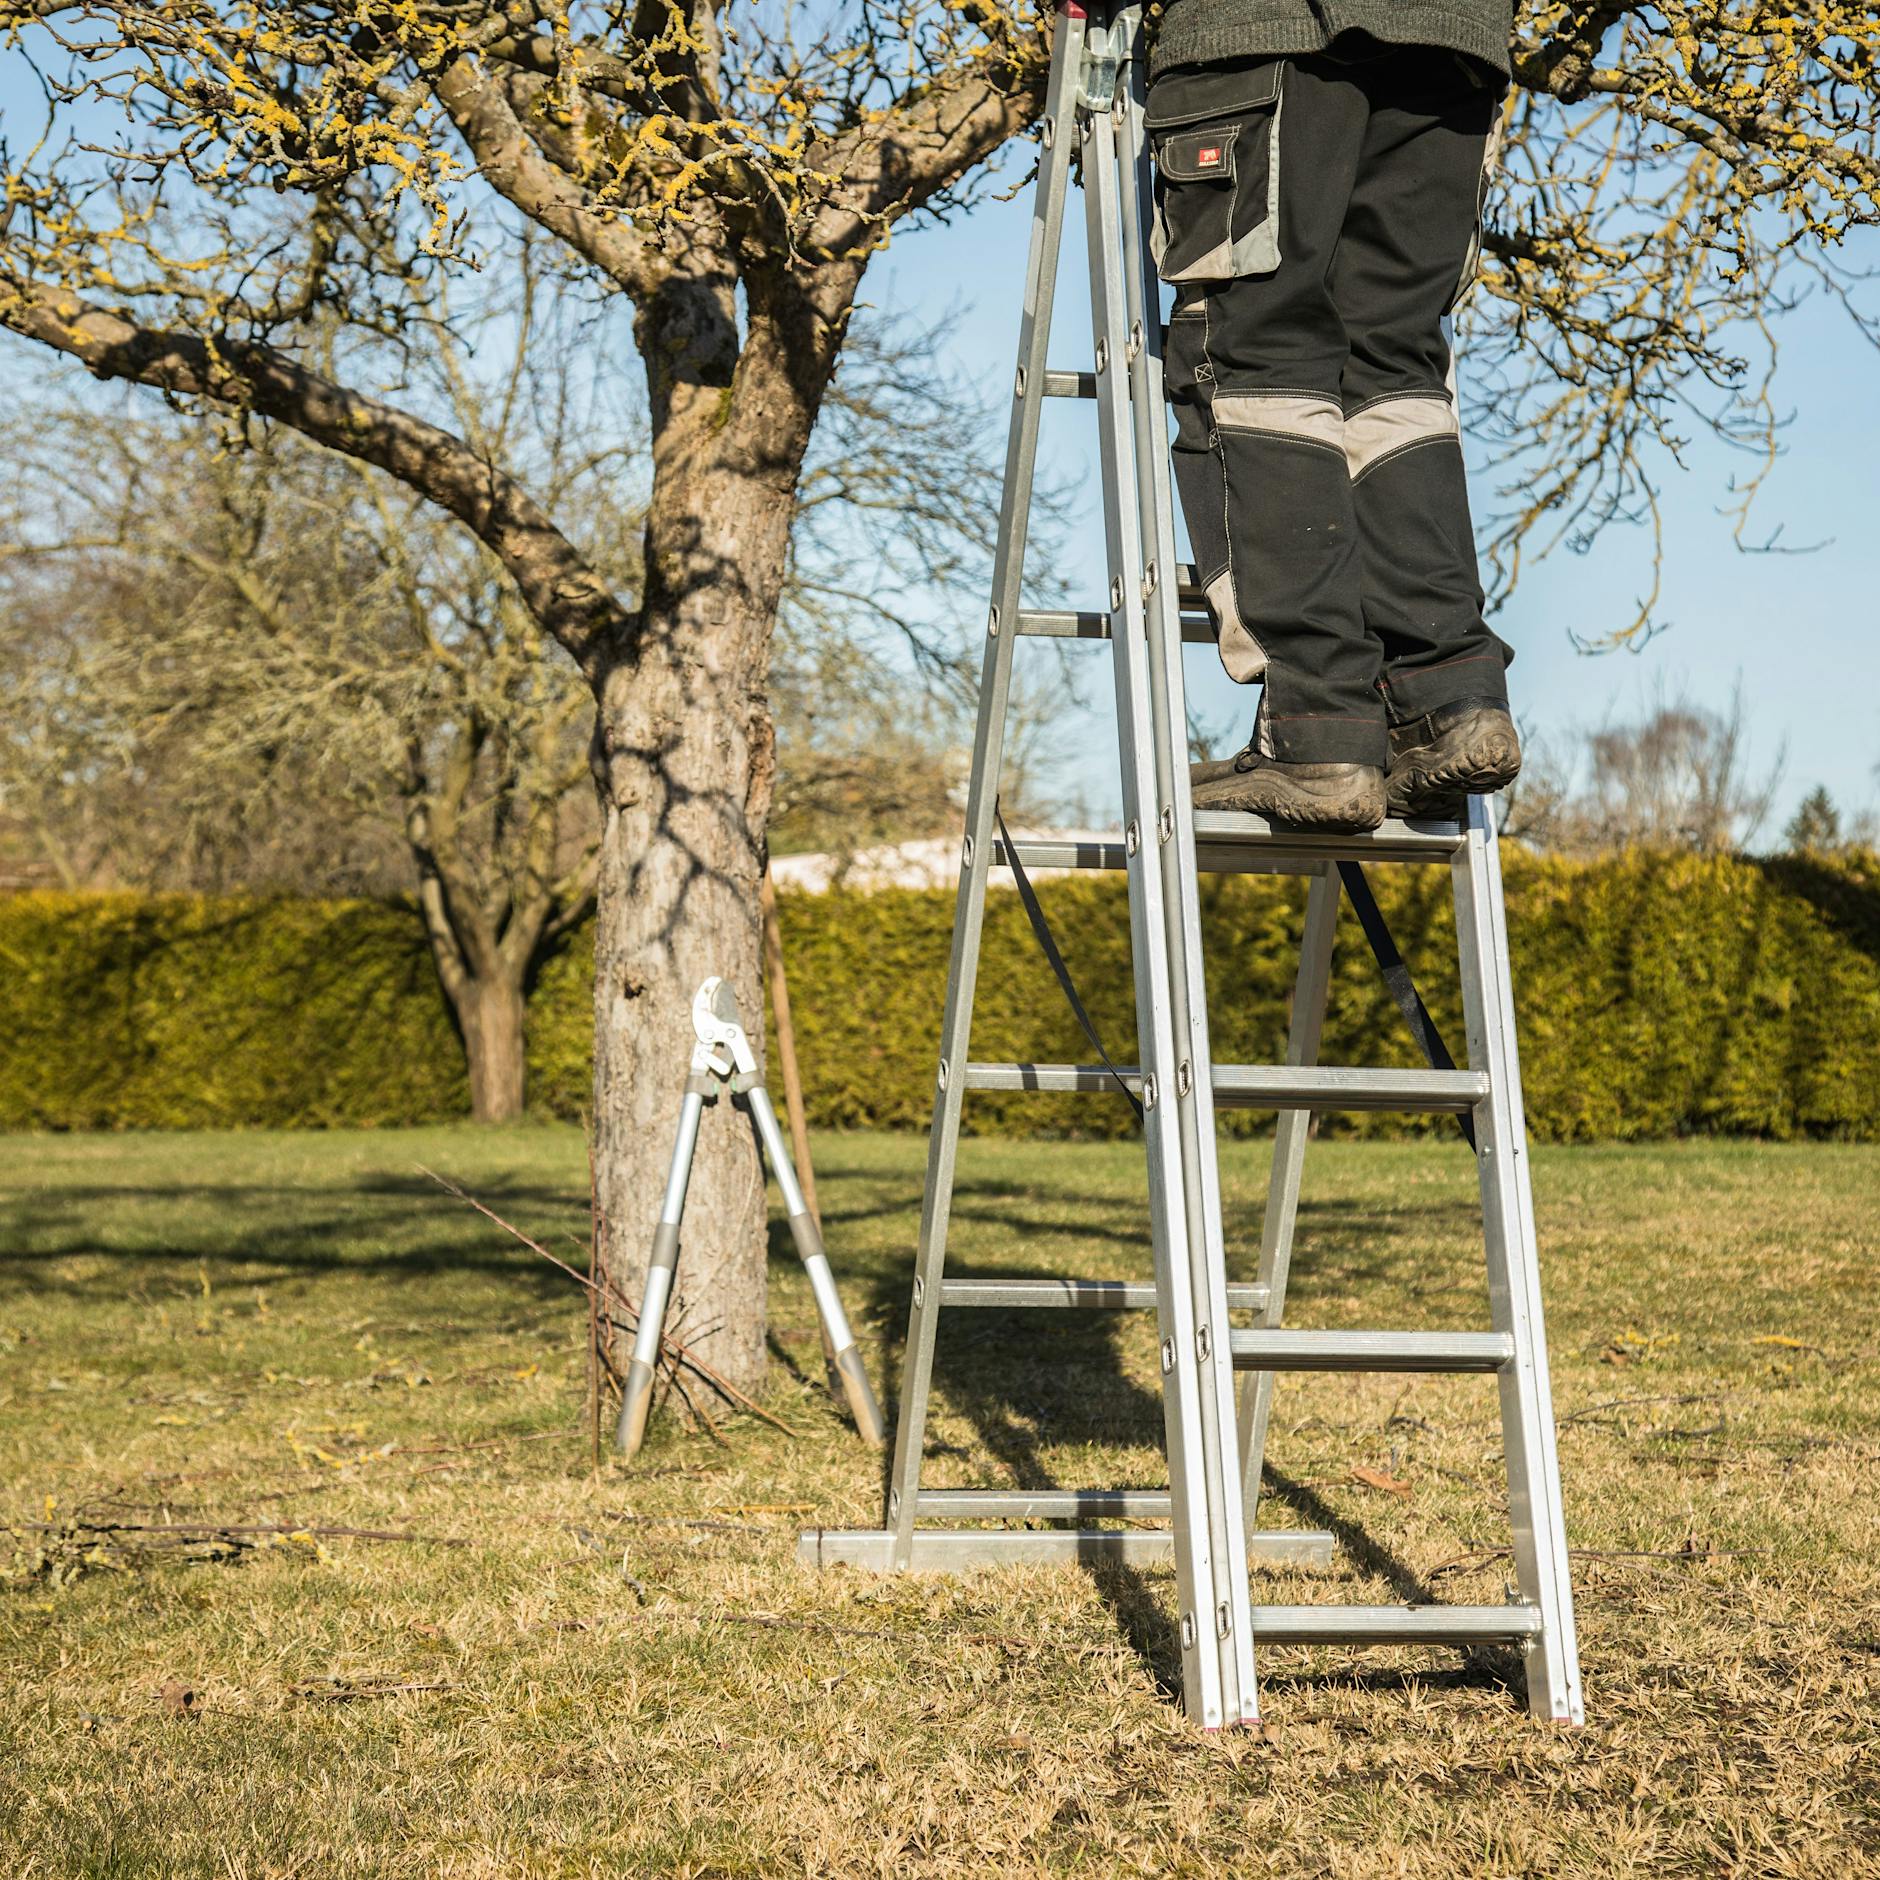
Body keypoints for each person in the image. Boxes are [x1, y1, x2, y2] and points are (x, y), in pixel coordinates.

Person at [1149, 0, 1521, 831]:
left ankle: (1317, 728)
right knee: (1393, 366)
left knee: (1251, 356)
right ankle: (1448, 698)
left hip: (1270, 28)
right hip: (1453, 41)